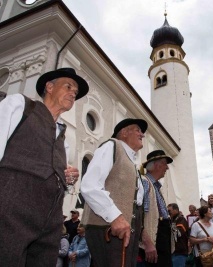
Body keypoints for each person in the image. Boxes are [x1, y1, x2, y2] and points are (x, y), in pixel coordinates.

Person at [0, 67, 88, 266]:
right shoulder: (20, 105)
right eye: (68, 86)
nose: (73, 93)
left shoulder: (64, 138)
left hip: (49, 222)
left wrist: (65, 178)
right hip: (10, 208)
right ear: (49, 87)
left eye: (75, 91)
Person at [80, 118, 148, 267]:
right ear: (124, 133)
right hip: (108, 228)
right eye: (137, 130)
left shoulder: (132, 162)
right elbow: (90, 185)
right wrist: (115, 217)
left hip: (124, 232)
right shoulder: (112, 146)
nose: (142, 134)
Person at [139, 150, 174, 266]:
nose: (167, 168)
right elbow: (138, 216)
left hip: (161, 242)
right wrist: (147, 243)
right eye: (165, 164)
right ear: (156, 165)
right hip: (153, 244)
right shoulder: (145, 182)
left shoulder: (155, 186)